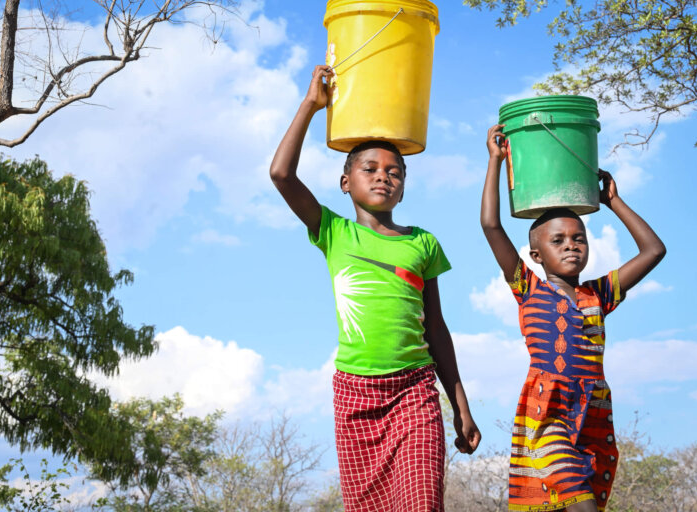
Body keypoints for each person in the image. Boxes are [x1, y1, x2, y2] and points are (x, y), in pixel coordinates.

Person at [270, 64, 481, 511]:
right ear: (346, 183)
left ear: (403, 189)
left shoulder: (422, 243)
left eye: (395, 172)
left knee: (423, 502)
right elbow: (281, 176)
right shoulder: (334, 232)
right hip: (356, 394)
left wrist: (459, 404)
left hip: (415, 391)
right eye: (370, 168)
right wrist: (311, 104)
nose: (384, 176)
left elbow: (437, 329)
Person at [480, 124, 666, 512]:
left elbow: (653, 251)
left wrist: (614, 202)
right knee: (578, 502)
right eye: (558, 240)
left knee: (574, 504)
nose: (571, 246)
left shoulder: (598, 294)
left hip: (591, 412)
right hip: (547, 415)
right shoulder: (527, 288)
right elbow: (491, 225)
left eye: (578, 238)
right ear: (536, 255)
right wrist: (495, 162)